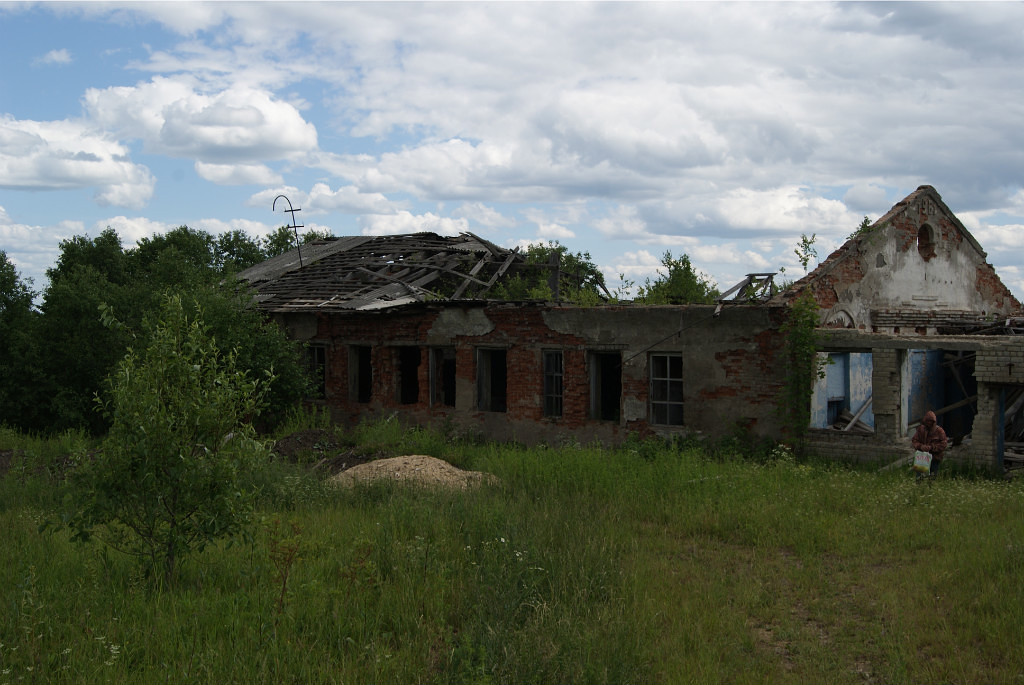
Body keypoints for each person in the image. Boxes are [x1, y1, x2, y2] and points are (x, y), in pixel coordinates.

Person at [912, 410, 948, 477]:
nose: (929, 423)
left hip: (934, 458)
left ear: (934, 422)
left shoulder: (940, 431)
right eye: (927, 421)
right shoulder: (921, 429)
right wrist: (921, 446)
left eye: (931, 421)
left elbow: (944, 444)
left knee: (932, 478)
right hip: (921, 458)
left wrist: (931, 447)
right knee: (919, 478)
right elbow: (914, 440)